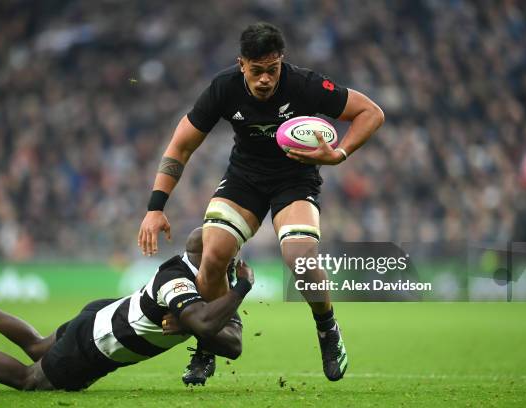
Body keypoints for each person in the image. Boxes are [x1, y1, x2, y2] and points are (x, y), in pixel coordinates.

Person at [138, 22, 384, 384]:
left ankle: (327, 330)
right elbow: (181, 146)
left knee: (299, 258)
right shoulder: (223, 88)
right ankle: (209, 344)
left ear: (281, 61)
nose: (265, 79)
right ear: (242, 65)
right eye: (256, 71)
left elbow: (371, 113)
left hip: (295, 178)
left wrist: (341, 153)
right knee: (214, 251)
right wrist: (155, 207)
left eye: (272, 70)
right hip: (245, 180)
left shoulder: (305, 84)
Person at [0, 228, 254, 391]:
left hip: (104, 315)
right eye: (224, 256)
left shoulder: (213, 283)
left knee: (37, 346)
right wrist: (239, 290)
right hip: (99, 340)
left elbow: (232, 341)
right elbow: (211, 327)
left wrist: (193, 322)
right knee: (29, 380)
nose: (231, 261)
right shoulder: (176, 280)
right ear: (205, 257)